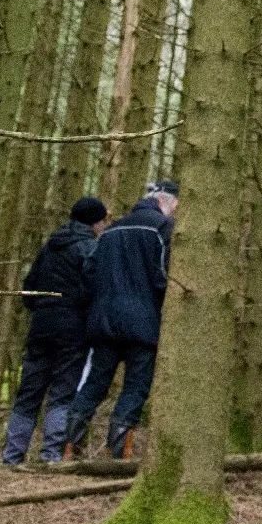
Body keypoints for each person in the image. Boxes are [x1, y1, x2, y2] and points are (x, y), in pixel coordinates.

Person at [63, 181, 176, 459]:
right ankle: (118, 457)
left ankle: (68, 450)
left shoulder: (111, 230)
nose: (175, 213)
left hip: (104, 322)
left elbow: (89, 271)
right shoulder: (162, 229)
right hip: (143, 322)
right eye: (175, 206)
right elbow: (166, 277)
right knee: (135, 388)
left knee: (95, 383)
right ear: (165, 201)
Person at [3, 197, 107, 463]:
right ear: (96, 222)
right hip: (72, 327)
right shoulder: (89, 249)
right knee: (63, 390)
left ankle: (11, 456)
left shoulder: (50, 246)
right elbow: (93, 290)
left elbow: (29, 286)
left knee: (29, 390)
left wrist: (42, 308)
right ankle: (51, 455)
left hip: (41, 323)